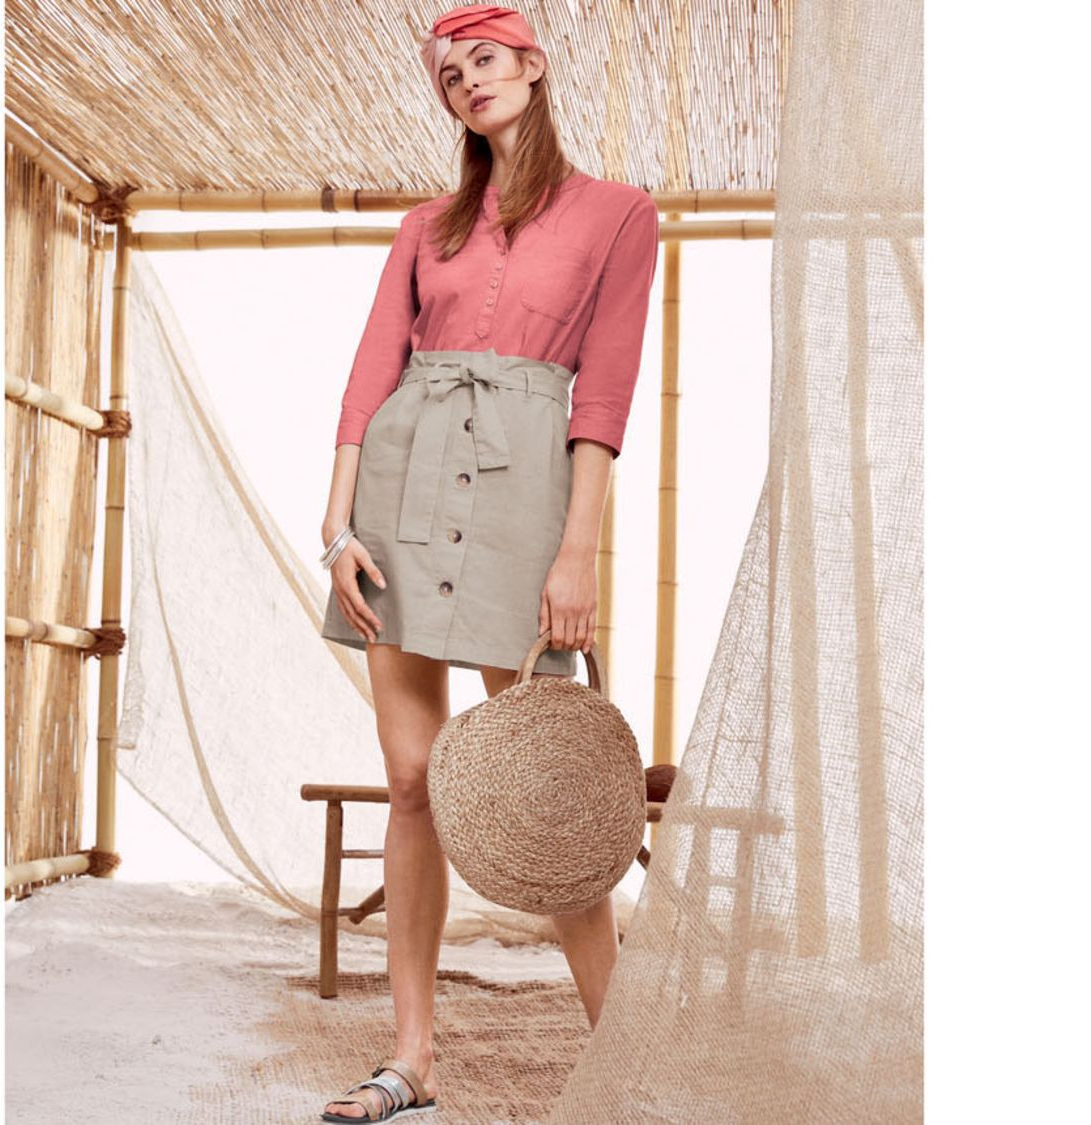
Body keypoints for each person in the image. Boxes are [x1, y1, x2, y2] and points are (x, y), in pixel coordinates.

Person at [316, 5, 659, 1120]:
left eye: (486, 60)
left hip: (527, 504)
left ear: (533, 66)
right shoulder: (426, 226)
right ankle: (412, 1058)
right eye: (450, 73)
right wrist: (337, 529)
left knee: (547, 789)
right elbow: (372, 372)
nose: (468, 80)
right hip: (403, 495)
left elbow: (604, 395)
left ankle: (624, 1067)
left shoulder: (620, 214)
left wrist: (578, 552)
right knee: (412, 781)